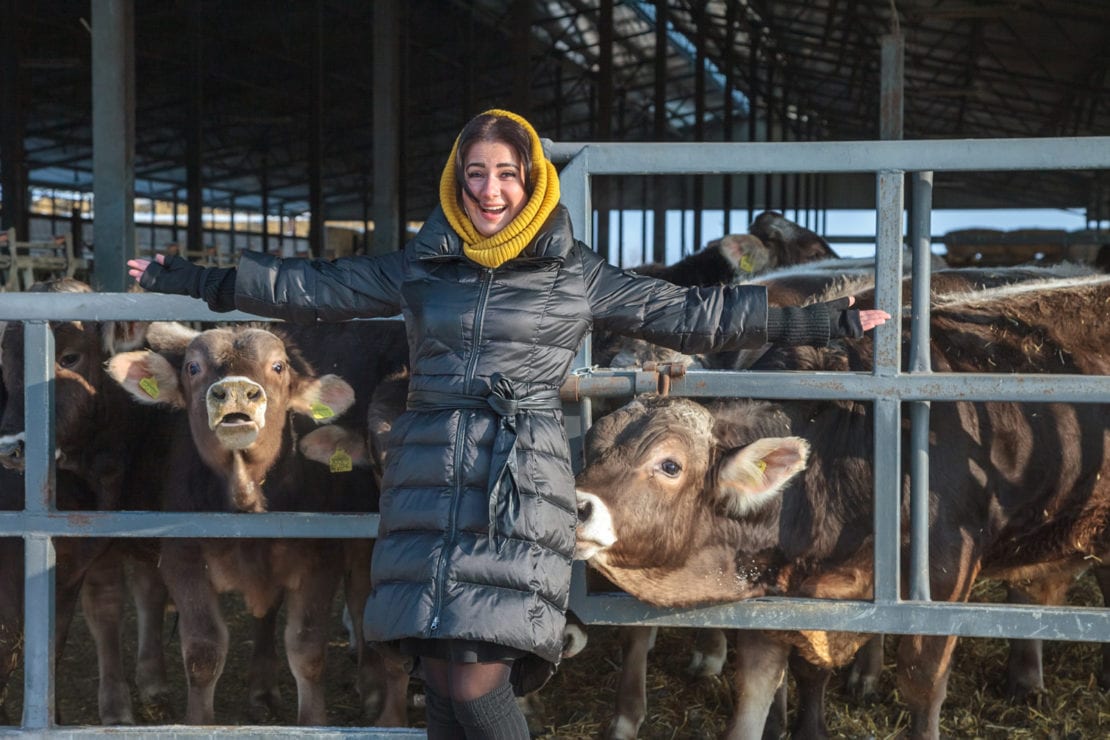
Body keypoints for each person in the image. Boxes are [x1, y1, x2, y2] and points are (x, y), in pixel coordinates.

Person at [128, 108, 890, 738]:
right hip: (425, 478)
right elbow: (309, 286)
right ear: (457, 181)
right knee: (439, 678)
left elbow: (692, 314)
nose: (491, 190)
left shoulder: (572, 269)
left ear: (532, 181)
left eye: (506, 174)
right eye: (476, 174)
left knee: (477, 675)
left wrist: (824, 324)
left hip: (514, 479)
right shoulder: (425, 262)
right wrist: (192, 279)